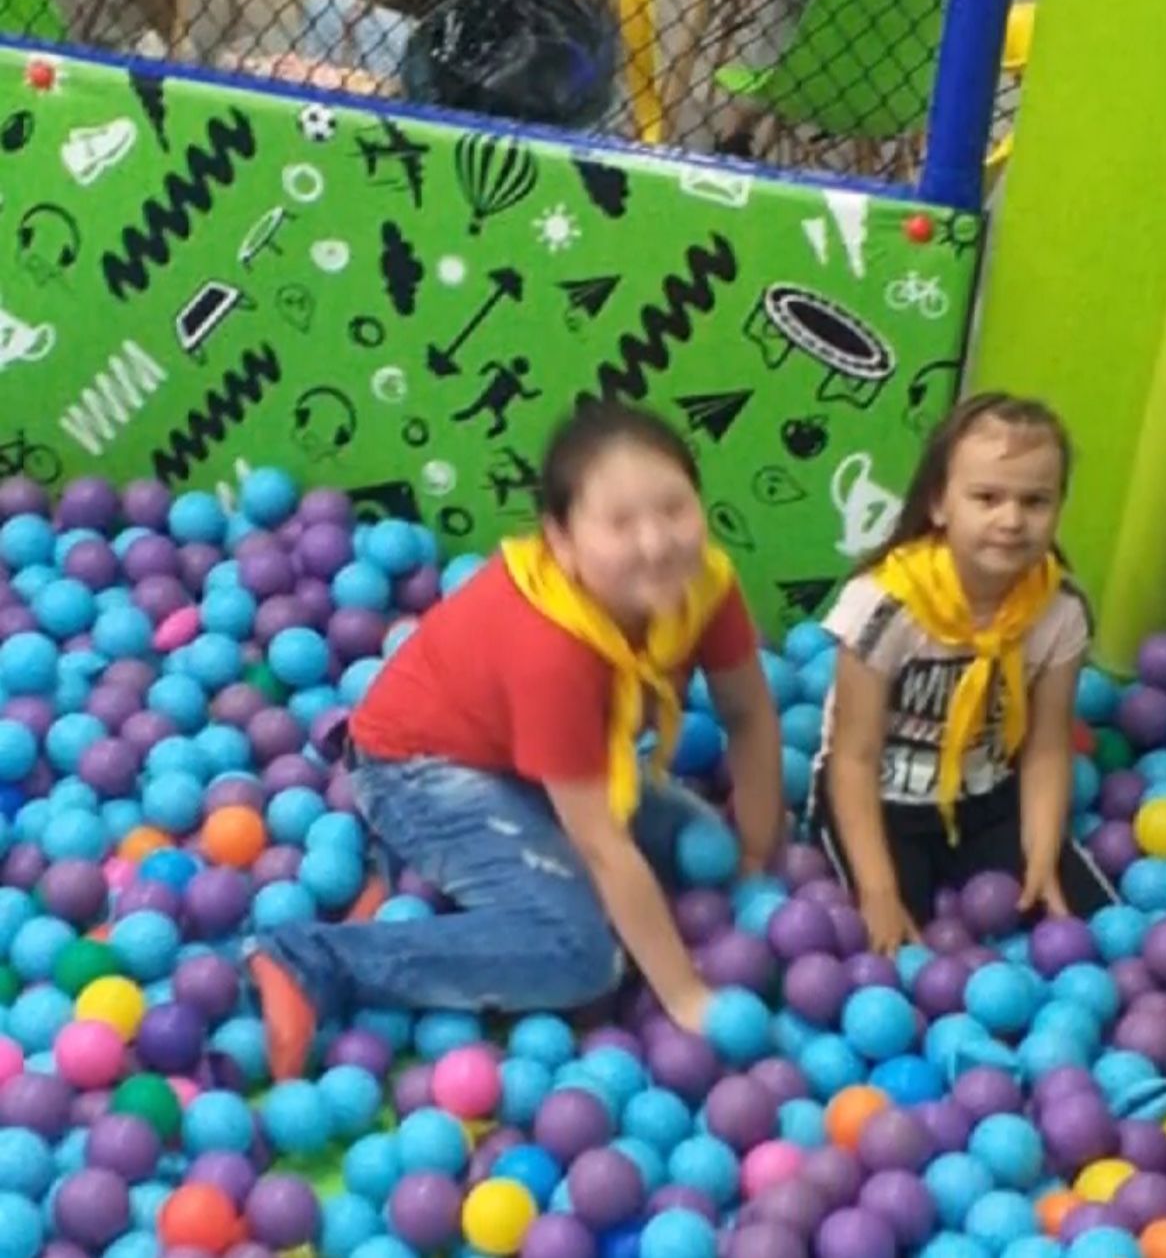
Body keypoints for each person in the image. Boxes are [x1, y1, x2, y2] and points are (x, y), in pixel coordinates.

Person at [250, 402, 786, 1078]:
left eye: (675, 509)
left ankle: (424, 870)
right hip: (416, 768)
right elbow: (602, 844)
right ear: (561, 540)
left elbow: (749, 715)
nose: (656, 543)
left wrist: (757, 856)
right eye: (620, 524)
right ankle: (310, 959)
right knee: (580, 955)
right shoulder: (552, 650)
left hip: (537, 765)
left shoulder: (703, 585)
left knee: (701, 846)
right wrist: (685, 996)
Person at [812, 392, 1116, 955]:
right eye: (987, 497)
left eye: (1035, 501)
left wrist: (1042, 854)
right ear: (939, 503)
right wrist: (878, 889)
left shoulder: (1060, 609)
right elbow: (853, 757)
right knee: (890, 948)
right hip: (883, 800)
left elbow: (1048, 747)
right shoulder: (886, 607)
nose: (1011, 520)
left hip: (988, 794)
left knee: (1090, 930)